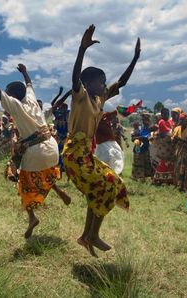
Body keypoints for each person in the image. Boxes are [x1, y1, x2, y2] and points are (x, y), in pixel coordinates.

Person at [0, 57, 70, 239]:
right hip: (52, 148)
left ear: (13, 95)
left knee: (22, 182)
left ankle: (32, 217)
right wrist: (25, 71)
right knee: (44, 171)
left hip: (36, 151)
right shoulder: (33, 101)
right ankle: (57, 189)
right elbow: (29, 85)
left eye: (9, 93)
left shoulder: (16, 105)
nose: (7, 96)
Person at [63, 25, 138, 257]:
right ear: (88, 84)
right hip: (74, 154)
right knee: (106, 184)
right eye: (101, 81)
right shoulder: (80, 96)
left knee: (107, 185)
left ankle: (87, 236)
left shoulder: (100, 97)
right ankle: (91, 235)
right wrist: (81, 50)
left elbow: (122, 82)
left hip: (85, 153)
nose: (105, 84)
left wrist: (135, 58)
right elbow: (75, 77)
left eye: (105, 81)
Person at [94, 111, 125, 175]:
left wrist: (117, 111)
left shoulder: (106, 122)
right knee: (106, 158)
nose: (112, 119)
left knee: (114, 157)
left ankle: (111, 174)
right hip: (101, 145)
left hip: (109, 143)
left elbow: (112, 114)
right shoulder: (97, 123)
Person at [172, 113, 187, 191]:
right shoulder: (177, 128)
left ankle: (185, 186)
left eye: (182, 120)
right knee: (178, 167)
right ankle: (177, 184)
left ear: (186, 121)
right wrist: (175, 139)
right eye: (180, 120)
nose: (181, 121)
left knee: (186, 169)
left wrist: (181, 140)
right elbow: (173, 139)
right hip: (179, 151)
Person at [131, 114, 154, 180]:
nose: (145, 121)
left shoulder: (151, 128)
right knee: (138, 162)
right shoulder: (140, 128)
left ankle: (145, 176)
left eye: (146, 120)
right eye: (143, 120)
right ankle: (137, 177)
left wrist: (137, 137)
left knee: (147, 162)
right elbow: (133, 138)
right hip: (139, 147)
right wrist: (137, 138)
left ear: (149, 120)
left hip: (146, 147)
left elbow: (148, 137)